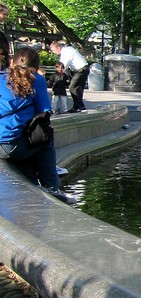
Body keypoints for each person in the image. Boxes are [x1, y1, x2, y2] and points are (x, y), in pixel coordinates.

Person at [0, 47, 76, 204]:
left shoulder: (1, 77)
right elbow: (43, 112)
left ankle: (33, 185)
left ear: (13, 61)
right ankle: (52, 187)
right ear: (36, 65)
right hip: (10, 145)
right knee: (45, 138)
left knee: (26, 150)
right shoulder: (36, 79)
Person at [49, 41, 88, 113]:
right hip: (82, 69)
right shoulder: (68, 49)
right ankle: (79, 106)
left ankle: (79, 106)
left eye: (53, 50)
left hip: (81, 69)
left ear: (58, 48)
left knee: (72, 87)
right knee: (78, 88)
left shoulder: (65, 52)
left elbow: (62, 66)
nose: (53, 52)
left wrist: (55, 76)